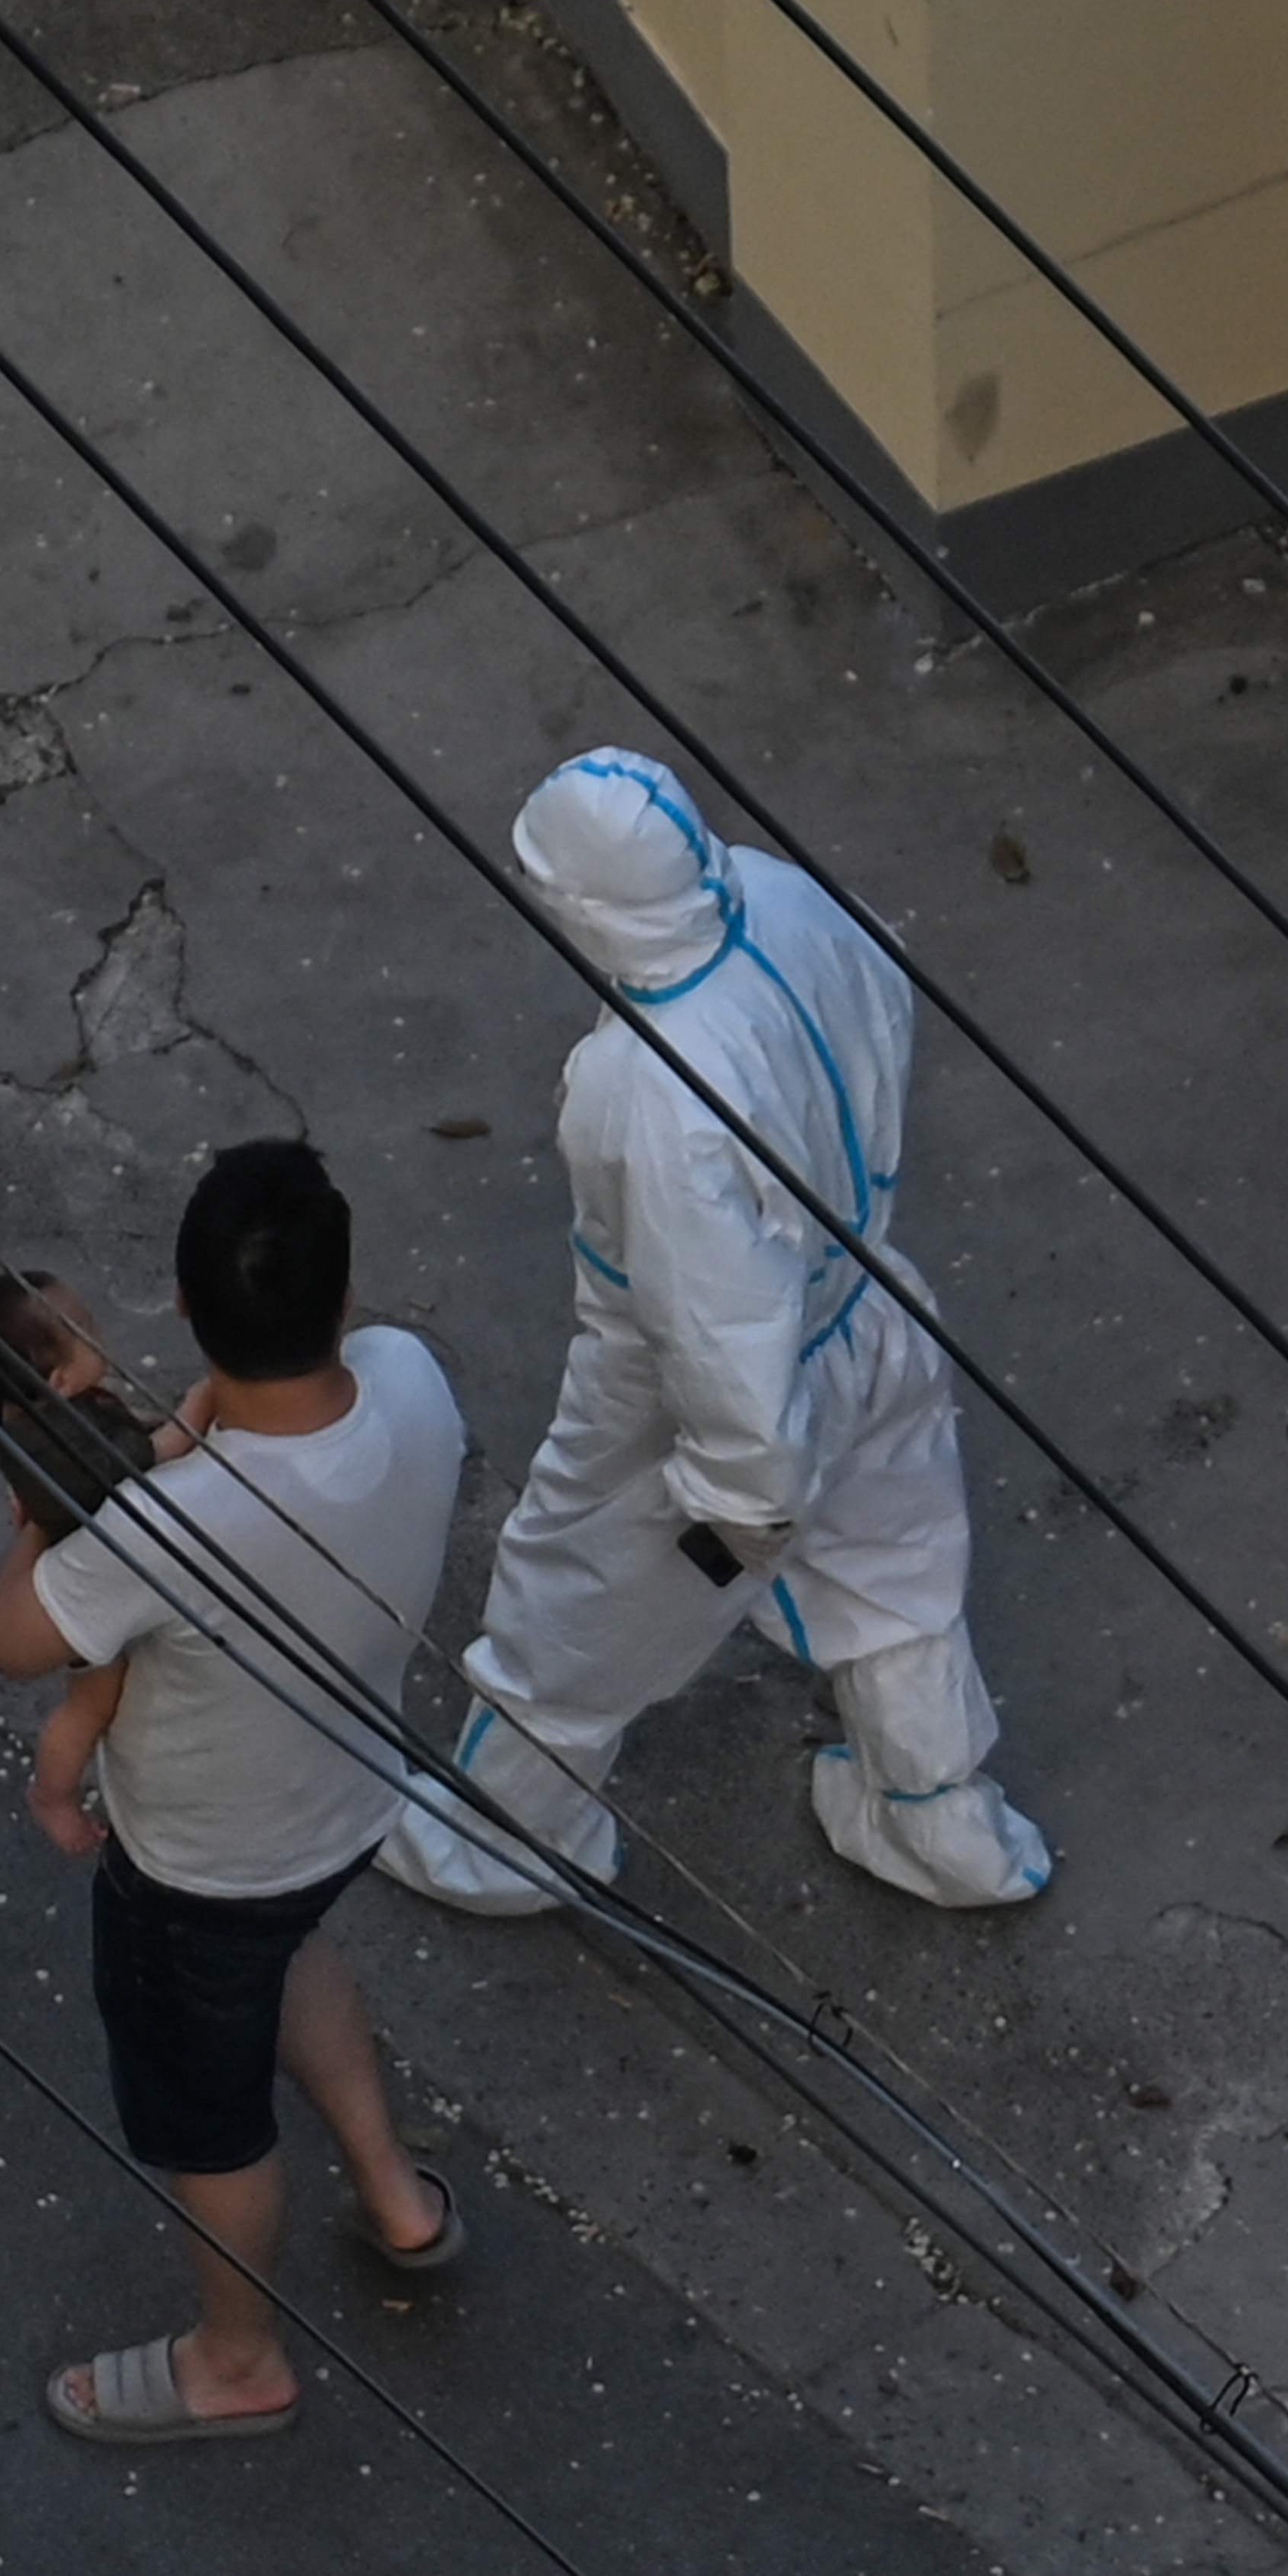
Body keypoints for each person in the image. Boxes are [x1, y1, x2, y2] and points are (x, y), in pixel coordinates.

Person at [379, 748, 1049, 1915]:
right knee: (898, 1573)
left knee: (576, 1611)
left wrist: (738, 1515)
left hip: (714, 1414)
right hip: (871, 1319)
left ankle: (501, 1845)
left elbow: (716, 1333)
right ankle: (941, 1826)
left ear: (585, 909)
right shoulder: (789, 901)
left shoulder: (651, 1093)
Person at [0, 1140, 472, 2444]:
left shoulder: (167, 1528)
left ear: (189, 1310)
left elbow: (18, 1640)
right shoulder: (416, 1384)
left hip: (197, 1861)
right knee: (290, 1946)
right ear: (343, 1289)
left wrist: (41, 1495)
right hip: (348, 1800)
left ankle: (237, 2359)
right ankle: (393, 2193)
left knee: (210, 2122)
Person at [0, 1267, 172, 1857]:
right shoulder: (77, 1440)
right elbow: (150, 1454)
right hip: (78, 1565)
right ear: (61, 1379)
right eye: (89, 1331)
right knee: (91, 1702)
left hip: (64, 1526)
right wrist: (201, 1413)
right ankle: (52, 1795)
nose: (101, 1334)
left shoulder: (7, 1402)